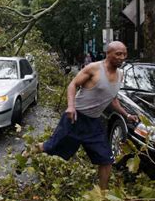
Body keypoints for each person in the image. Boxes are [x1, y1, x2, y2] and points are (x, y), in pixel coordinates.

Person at [24, 41, 139, 190]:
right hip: (75, 118)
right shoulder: (94, 69)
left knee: (106, 159)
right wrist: (71, 106)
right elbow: (72, 85)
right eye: (118, 54)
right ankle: (27, 152)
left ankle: (101, 195)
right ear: (108, 53)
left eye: (124, 54)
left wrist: (127, 114)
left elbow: (113, 98)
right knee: (51, 147)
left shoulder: (120, 74)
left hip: (94, 123)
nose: (122, 57)